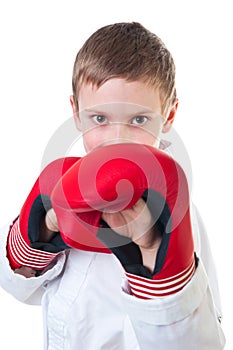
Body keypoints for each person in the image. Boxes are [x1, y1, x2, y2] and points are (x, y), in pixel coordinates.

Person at [0, 22, 225, 349]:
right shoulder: (65, 187)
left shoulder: (174, 211)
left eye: (138, 120)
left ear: (169, 116)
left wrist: (152, 253)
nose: (117, 138)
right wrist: (44, 226)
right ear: (76, 114)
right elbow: (19, 287)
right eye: (100, 119)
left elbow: (198, 344)